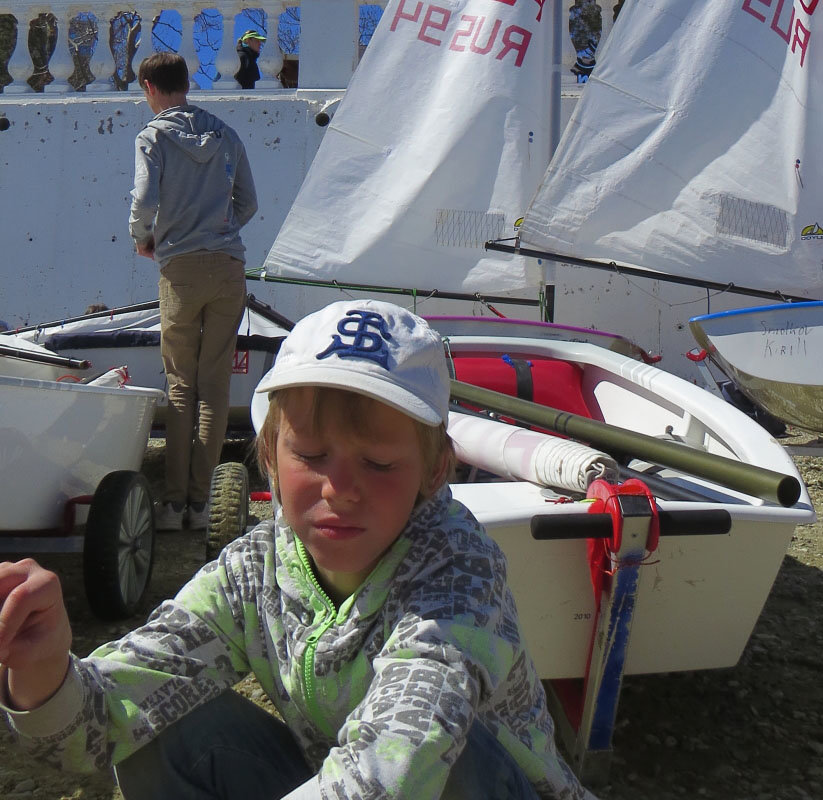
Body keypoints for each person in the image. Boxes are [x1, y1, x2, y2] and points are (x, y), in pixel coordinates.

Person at [0, 298, 598, 800]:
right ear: (269, 458)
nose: (338, 489)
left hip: (475, 786)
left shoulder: (460, 573)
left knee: (447, 756)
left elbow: (401, 762)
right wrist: (45, 673)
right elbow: (94, 731)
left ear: (435, 471)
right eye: (310, 456)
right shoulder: (254, 573)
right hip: (332, 777)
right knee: (155, 725)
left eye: (379, 463)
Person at [129, 51, 258, 531]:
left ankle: (175, 504)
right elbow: (248, 202)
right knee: (215, 386)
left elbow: (144, 199)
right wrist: (219, 228)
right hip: (228, 266)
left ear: (148, 86)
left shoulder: (153, 136)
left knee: (181, 387)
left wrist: (146, 238)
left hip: (180, 266)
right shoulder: (226, 133)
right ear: (187, 82)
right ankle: (204, 506)